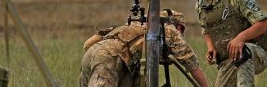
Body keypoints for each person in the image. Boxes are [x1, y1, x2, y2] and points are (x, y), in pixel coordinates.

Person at [79, 9, 209, 87]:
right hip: (109, 58)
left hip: (91, 53)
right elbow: (192, 64)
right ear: (176, 25)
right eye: (181, 29)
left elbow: (87, 44)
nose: (181, 34)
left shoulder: (135, 24)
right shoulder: (168, 29)